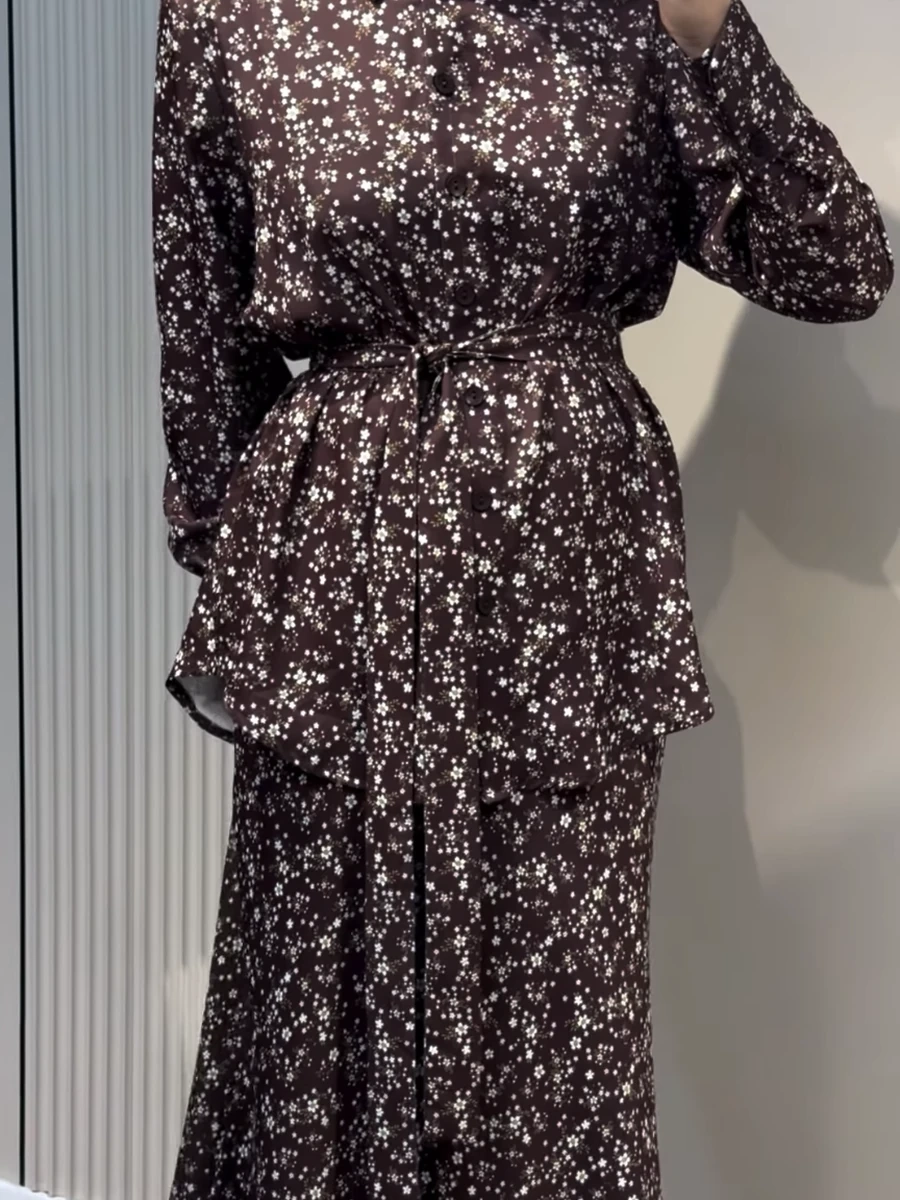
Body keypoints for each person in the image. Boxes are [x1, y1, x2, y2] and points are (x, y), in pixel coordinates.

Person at [151, 0, 892, 1196]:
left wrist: (713, 33)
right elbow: (203, 334)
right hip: (338, 580)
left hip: (566, 580)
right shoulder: (229, 15)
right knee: (323, 992)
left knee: (552, 1010)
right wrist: (248, 587)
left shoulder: (634, 14)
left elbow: (838, 263)